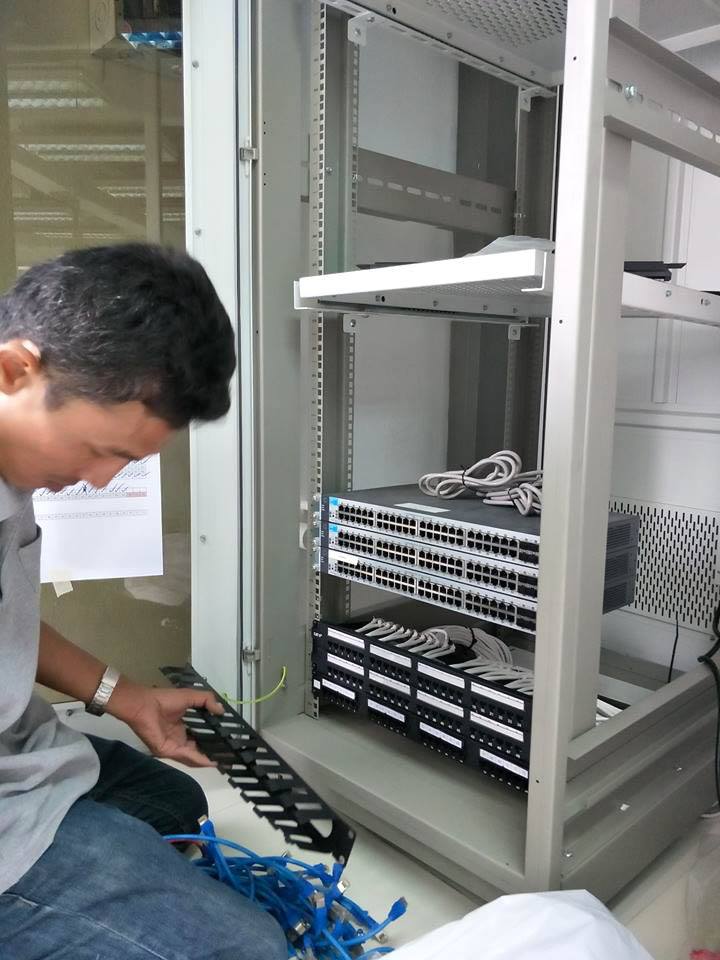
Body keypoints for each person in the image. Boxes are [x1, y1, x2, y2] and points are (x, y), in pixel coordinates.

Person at [0, 245, 287, 960]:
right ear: (15, 371)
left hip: (20, 751)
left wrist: (125, 697)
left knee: (173, 804)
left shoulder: (14, 469)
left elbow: (8, 619)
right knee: (247, 951)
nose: (101, 481)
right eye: (103, 451)